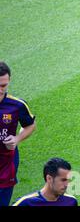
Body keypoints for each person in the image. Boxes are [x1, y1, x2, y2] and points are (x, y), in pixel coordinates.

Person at [0, 61, 37, 206]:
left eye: (3, 85)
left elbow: (30, 125)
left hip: (6, 165)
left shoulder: (17, 105)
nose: (0, 90)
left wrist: (17, 138)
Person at [12, 157, 77, 206]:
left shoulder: (71, 201)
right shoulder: (26, 203)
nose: (67, 184)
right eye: (63, 180)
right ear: (49, 179)